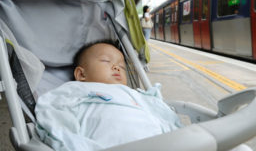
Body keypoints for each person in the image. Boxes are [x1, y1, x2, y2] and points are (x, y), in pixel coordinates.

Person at [35, 40, 182, 151]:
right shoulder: (74, 90)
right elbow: (55, 118)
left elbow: (163, 116)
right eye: (106, 61)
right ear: (81, 74)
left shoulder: (134, 94)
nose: (117, 67)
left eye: (122, 66)